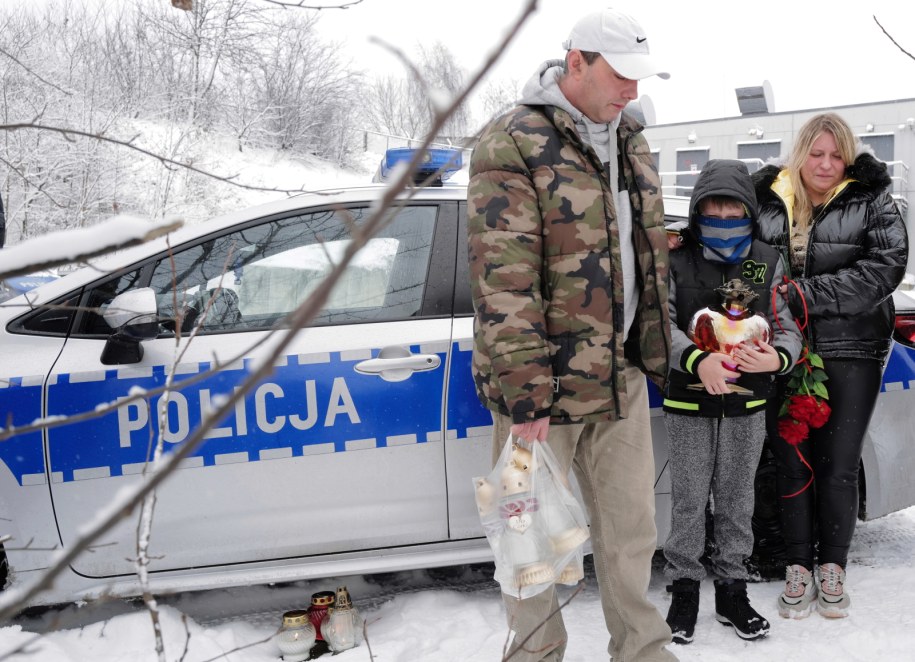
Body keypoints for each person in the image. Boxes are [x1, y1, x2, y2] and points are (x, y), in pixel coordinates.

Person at [467, 8, 676, 662]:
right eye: (620, 76)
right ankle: (535, 655)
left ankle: (642, 651)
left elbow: (646, 253)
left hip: (622, 376)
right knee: (528, 542)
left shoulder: (631, 137)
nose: (631, 92)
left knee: (629, 532)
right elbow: (503, 279)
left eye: (639, 80)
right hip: (543, 390)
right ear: (576, 61)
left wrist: (661, 343)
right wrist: (526, 398)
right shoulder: (512, 138)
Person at [752, 112, 908, 619]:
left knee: (838, 466)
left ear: (848, 157)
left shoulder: (871, 200)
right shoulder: (768, 199)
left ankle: (832, 567)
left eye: (835, 155)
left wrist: (803, 294)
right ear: (800, 154)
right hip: (781, 349)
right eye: (815, 153)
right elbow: (739, 257)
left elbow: (883, 269)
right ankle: (798, 565)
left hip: (853, 348)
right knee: (789, 462)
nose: (824, 164)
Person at [661, 160, 801, 644]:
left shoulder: (768, 257)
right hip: (689, 403)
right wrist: (697, 360)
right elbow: (660, 329)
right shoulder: (675, 257)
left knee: (738, 498)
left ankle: (731, 589)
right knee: (689, 500)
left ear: (749, 209)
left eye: (732, 207)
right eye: (712, 208)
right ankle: (683, 589)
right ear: (698, 210)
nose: (722, 217)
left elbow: (786, 325)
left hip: (747, 405)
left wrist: (778, 358)